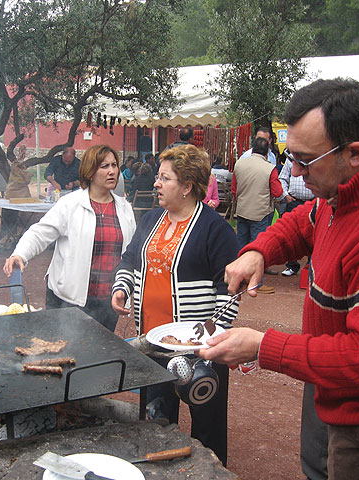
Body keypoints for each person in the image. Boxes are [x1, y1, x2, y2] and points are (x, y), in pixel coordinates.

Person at [198, 78, 359, 480]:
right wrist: (260, 252)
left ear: (354, 153)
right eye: (292, 157)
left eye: (304, 160)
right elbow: (306, 219)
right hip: (332, 382)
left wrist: (264, 346)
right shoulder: (344, 188)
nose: (295, 172)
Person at [111, 144, 240, 466]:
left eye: (164, 178)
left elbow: (229, 289)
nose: (156, 184)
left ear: (187, 186)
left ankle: (209, 473)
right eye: (157, 177)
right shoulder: (151, 219)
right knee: (157, 418)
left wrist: (210, 337)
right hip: (152, 342)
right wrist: (122, 288)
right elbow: (130, 260)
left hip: (199, 350)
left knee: (205, 425)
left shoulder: (215, 229)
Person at [4, 145, 135, 331]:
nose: (112, 171)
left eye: (114, 165)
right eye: (104, 166)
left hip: (107, 301)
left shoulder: (124, 208)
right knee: (64, 354)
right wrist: (20, 254)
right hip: (68, 299)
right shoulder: (70, 204)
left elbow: (131, 253)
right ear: (90, 171)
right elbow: (39, 233)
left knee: (102, 354)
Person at [232, 137, 282, 293]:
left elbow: (234, 189)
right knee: (258, 248)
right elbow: (278, 192)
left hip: (242, 210)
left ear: (252, 149)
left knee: (241, 245)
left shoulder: (239, 164)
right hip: (260, 212)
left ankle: (238, 278)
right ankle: (256, 282)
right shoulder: (269, 168)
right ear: (267, 152)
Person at [278, 156, 315, 276]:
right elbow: (282, 178)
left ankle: (310, 266)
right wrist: (285, 195)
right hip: (293, 201)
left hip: (313, 201)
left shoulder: (316, 156)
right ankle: (292, 266)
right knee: (290, 234)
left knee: (313, 234)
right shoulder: (290, 159)